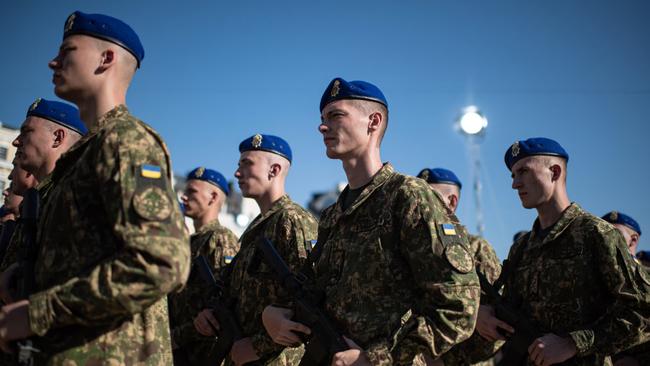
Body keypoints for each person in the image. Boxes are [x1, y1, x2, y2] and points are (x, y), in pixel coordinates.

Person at [0, 11, 190, 364]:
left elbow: (161, 262)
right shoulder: (86, 154)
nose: (53, 60)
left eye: (68, 50)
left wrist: (37, 312)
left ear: (106, 59)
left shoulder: (125, 141)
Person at [262, 78, 480, 365]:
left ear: (373, 122)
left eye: (336, 115)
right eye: (322, 118)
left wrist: (378, 359)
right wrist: (273, 314)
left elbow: (459, 304)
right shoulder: (332, 214)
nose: (322, 126)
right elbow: (317, 292)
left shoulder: (407, 197)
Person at [479, 137, 650, 366]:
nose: (515, 184)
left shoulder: (596, 234)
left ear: (555, 172)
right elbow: (513, 308)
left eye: (523, 172)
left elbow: (643, 311)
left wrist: (573, 343)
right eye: (513, 175)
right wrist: (482, 315)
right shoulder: (523, 247)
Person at [193, 134, 318, 365]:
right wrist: (209, 316)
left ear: (274, 170)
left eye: (246, 164)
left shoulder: (292, 220)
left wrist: (257, 346)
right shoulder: (256, 229)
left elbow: (311, 303)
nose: (237, 173)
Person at [416, 167, 502, 366]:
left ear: (452, 202)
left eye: (430, 197)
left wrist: (473, 314)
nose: (421, 205)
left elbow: (499, 315)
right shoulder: (413, 250)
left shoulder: (476, 248)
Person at [0, 98, 86, 284]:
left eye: (27, 132)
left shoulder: (74, 196)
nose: (16, 142)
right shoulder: (42, 197)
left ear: (57, 138)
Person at [169, 167, 240, 365]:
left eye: (192, 192)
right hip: (179, 352)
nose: (184, 197)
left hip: (203, 354)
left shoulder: (220, 238)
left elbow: (221, 307)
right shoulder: (189, 242)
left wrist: (176, 336)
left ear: (213, 197)